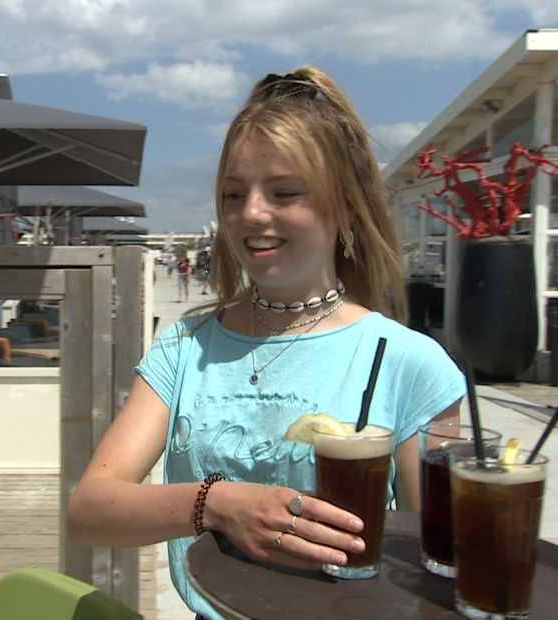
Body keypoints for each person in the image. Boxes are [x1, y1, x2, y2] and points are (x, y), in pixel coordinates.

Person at [67, 67, 465, 619]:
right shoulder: (185, 346)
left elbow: (439, 568)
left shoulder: (411, 364)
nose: (250, 213)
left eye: (283, 192)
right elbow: (90, 509)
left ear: (346, 206)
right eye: (234, 193)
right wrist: (218, 504)